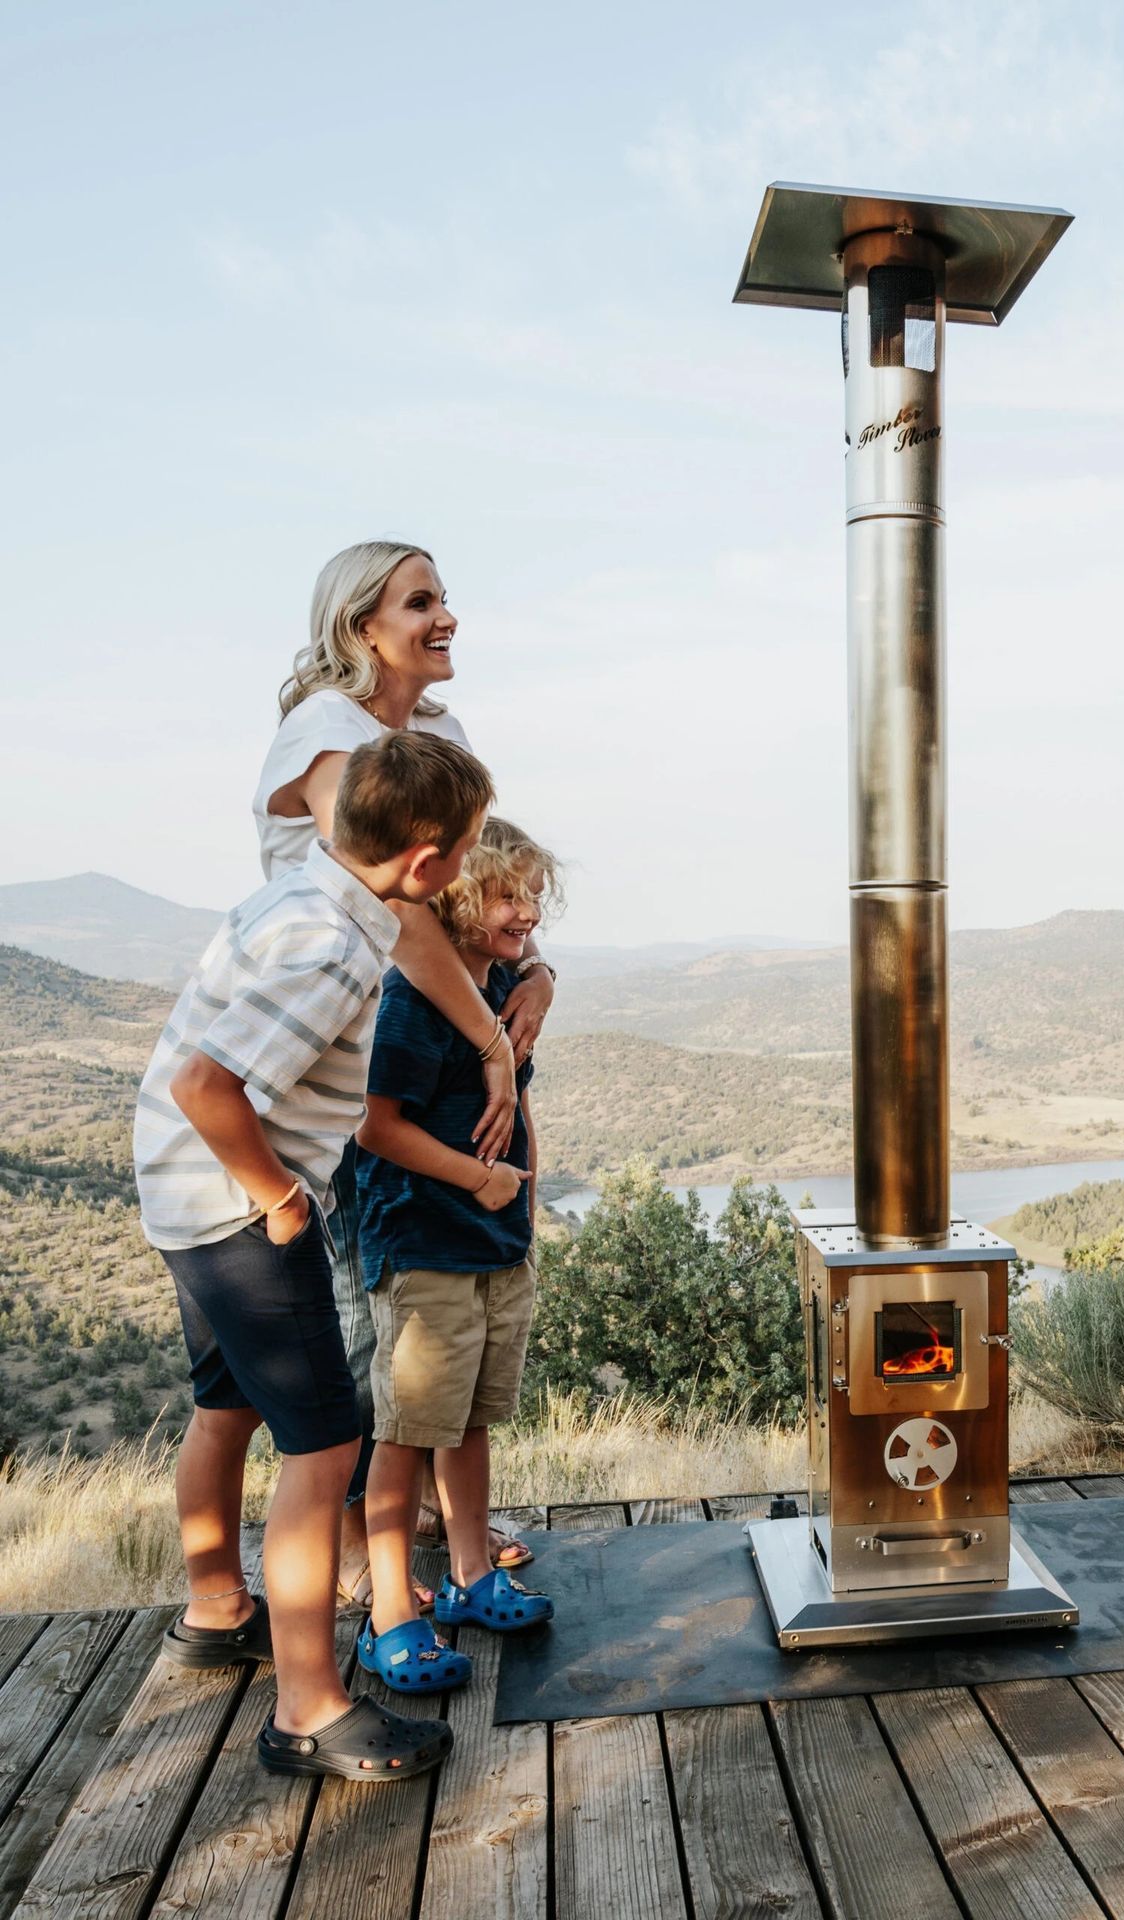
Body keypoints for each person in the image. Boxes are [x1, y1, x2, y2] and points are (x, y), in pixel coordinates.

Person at [134, 730, 493, 1779]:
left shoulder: (303, 887)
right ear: (426, 865)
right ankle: (311, 1709)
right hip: (238, 1209)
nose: (463, 869)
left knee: (226, 1402)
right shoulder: (335, 949)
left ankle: (216, 1608)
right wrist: (282, 1198)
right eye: (466, 850)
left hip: (179, 1192)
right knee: (325, 1446)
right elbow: (211, 1085)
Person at [253, 540, 549, 1602]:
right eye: (420, 601)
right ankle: (354, 1570)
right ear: (359, 629)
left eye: (444, 598)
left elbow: (469, 884)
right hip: (341, 1039)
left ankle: (438, 1534)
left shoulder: (438, 733)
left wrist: (536, 971)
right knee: (367, 1333)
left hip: (428, 1017)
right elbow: (400, 905)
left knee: (437, 1366)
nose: (447, 616)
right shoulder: (330, 736)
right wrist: (486, 1045)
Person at [353, 819, 564, 1692]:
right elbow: (377, 1127)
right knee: (406, 1434)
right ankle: (393, 1613)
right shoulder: (413, 1001)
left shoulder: (506, 986)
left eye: (533, 896)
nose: (528, 912)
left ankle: (474, 1578)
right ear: (456, 899)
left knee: (469, 1420)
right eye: (509, 896)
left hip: (495, 1245)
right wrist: (475, 1181)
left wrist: (518, 1194)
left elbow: (514, 1101)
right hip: (427, 1243)